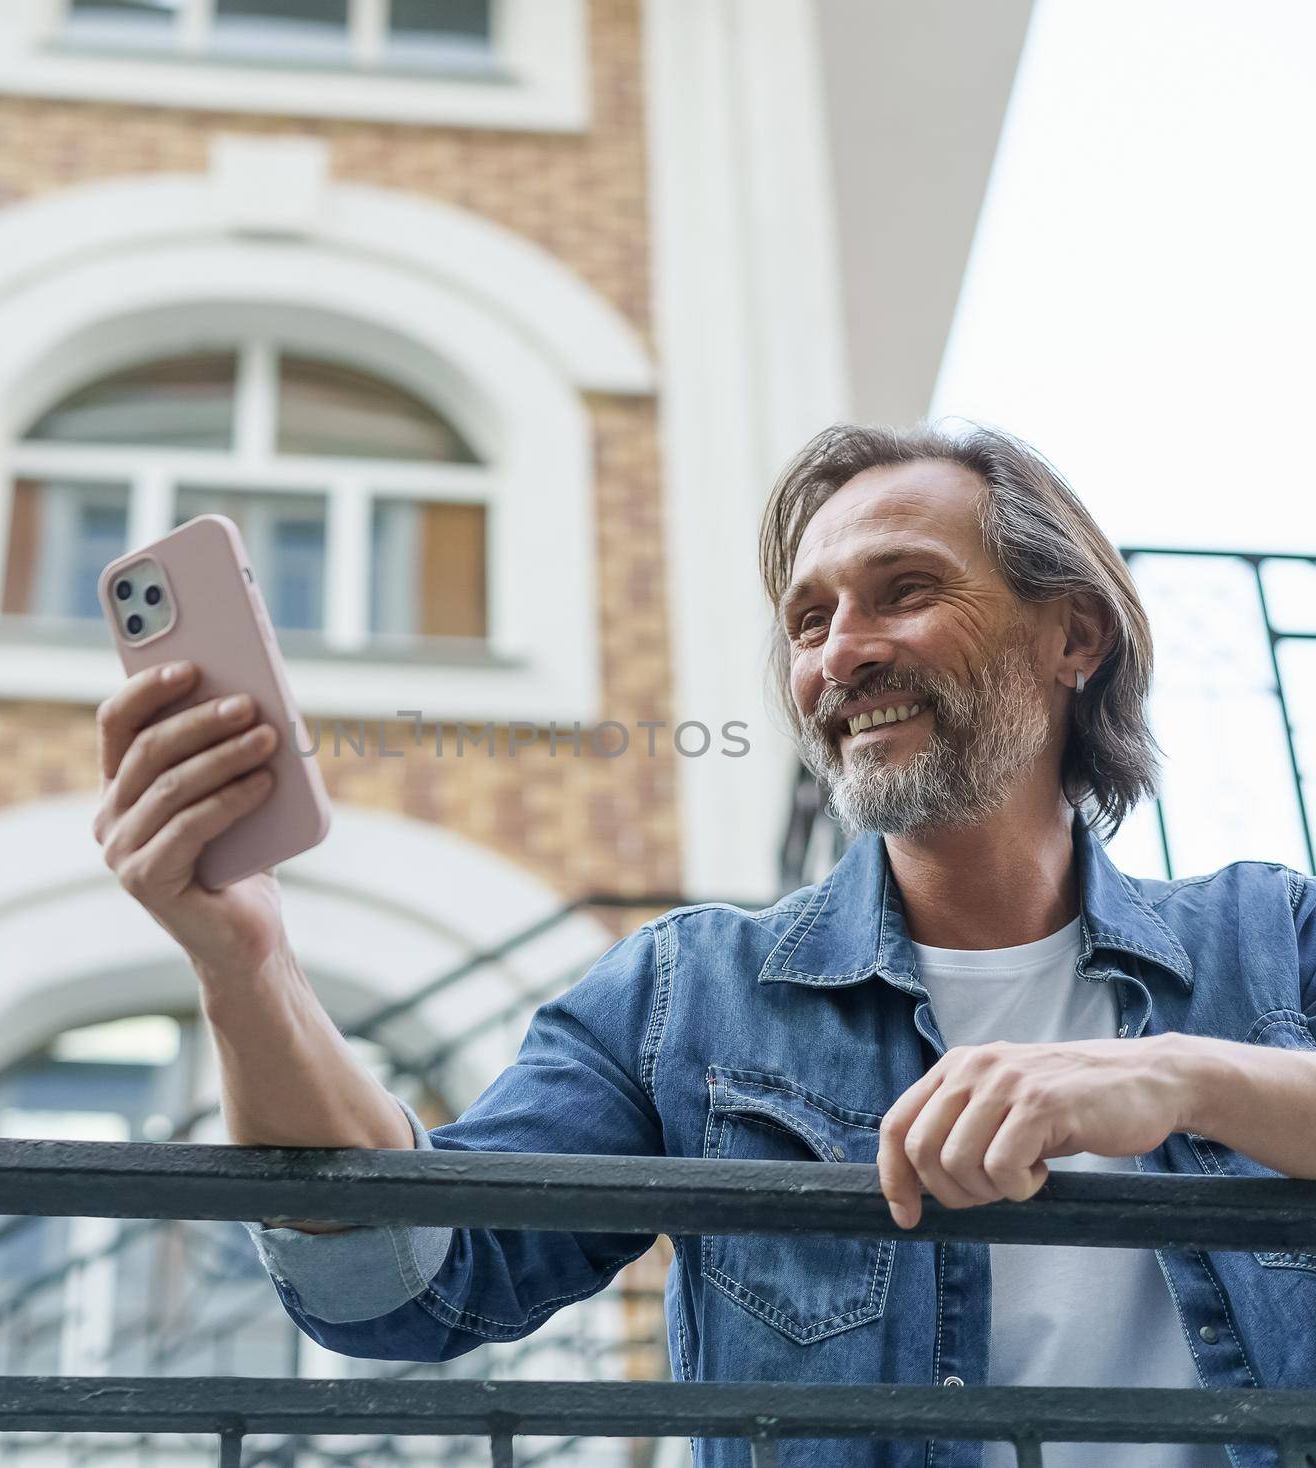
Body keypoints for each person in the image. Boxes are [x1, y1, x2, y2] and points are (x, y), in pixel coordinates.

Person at [91, 422, 1316, 1468]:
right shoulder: (692, 997)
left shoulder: (1265, 939)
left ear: (1074, 639)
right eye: (808, 618)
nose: (840, 651)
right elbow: (412, 1281)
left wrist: (1187, 1077)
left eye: (904, 589)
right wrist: (245, 961)